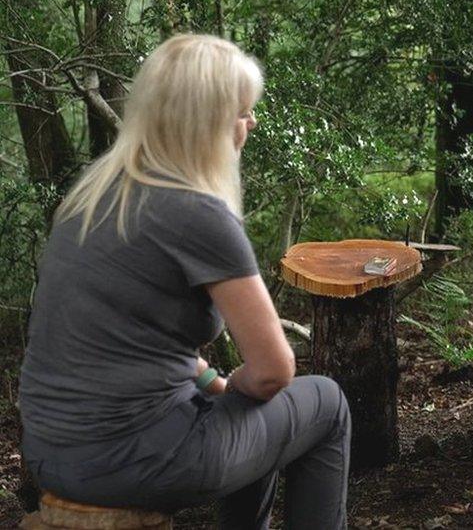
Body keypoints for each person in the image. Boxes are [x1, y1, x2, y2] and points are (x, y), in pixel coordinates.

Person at [18, 34, 350, 529]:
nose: (251, 123)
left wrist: (210, 381)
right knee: (325, 402)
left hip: (47, 454)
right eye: (243, 112)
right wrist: (235, 385)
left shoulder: (90, 199)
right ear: (209, 123)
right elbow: (273, 370)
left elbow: (122, 336)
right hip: (133, 462)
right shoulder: (198, 213)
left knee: (244, 406)